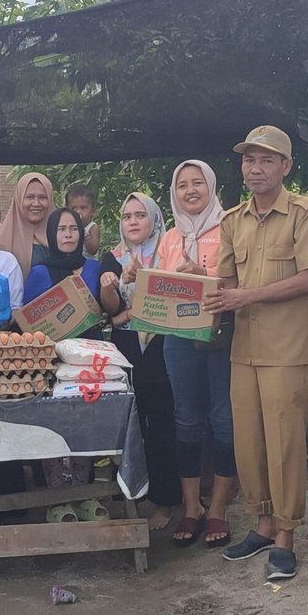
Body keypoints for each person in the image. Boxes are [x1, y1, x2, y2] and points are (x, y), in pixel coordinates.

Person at [205, 126, 308, 581]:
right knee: (248, 443)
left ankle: (286, 537)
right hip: (245, 349)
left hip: (287, 349)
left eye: (266, 160)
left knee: (284, 444)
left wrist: (245, 297)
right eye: (248, 160)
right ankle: (261, 524)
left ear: (285, 167)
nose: (255, 169)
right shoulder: (233, 219)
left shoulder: (305, 213)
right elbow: (225, 284)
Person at [154, 160, 237, 547]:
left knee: (224, 418)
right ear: (174, 192)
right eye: (182, 184)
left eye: (197, 183)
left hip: (222, 335)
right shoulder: (169, 238)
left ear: (211, 186)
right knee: (185, 418)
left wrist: (202, 278)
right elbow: (157, 289)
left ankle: (218, 507)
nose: (190, 190)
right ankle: (192, 506)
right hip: (178, 338)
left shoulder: (232, 227)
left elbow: (242, 282)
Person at [101, 194, 183, 520]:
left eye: (140, 216)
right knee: (129, 425)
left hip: (162, 346)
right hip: (127, 349)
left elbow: (177, 296)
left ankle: (164, 500)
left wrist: (142, 286)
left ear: (154, 220)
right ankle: (130, 494)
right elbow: (109, 309)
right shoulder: (113, 257)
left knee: (162, 423)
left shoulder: (170, 253)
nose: (133, 222)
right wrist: (113, 285)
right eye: (126, 216)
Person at [23, 207, 114, 315]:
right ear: (51, 234)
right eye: (61, 229)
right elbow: (28, 318)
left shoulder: (94, 267)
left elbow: (109, 309)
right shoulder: (40, 272)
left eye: (74, 228)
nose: (68, 234)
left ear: (81, 233)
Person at [0, 172, 56, 272]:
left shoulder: (61, 236)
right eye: (30, 197)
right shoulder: (2, 241)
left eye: (42, 197)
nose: (36, 203)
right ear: (19, 199)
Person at [65, 183, 102, 258]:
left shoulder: (92, 228)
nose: (78, 212)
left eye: (83, 208)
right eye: (73, 208)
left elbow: (93, 250)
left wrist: (83, 232)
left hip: (88, 264)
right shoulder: (66, 227)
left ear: (92, 211)